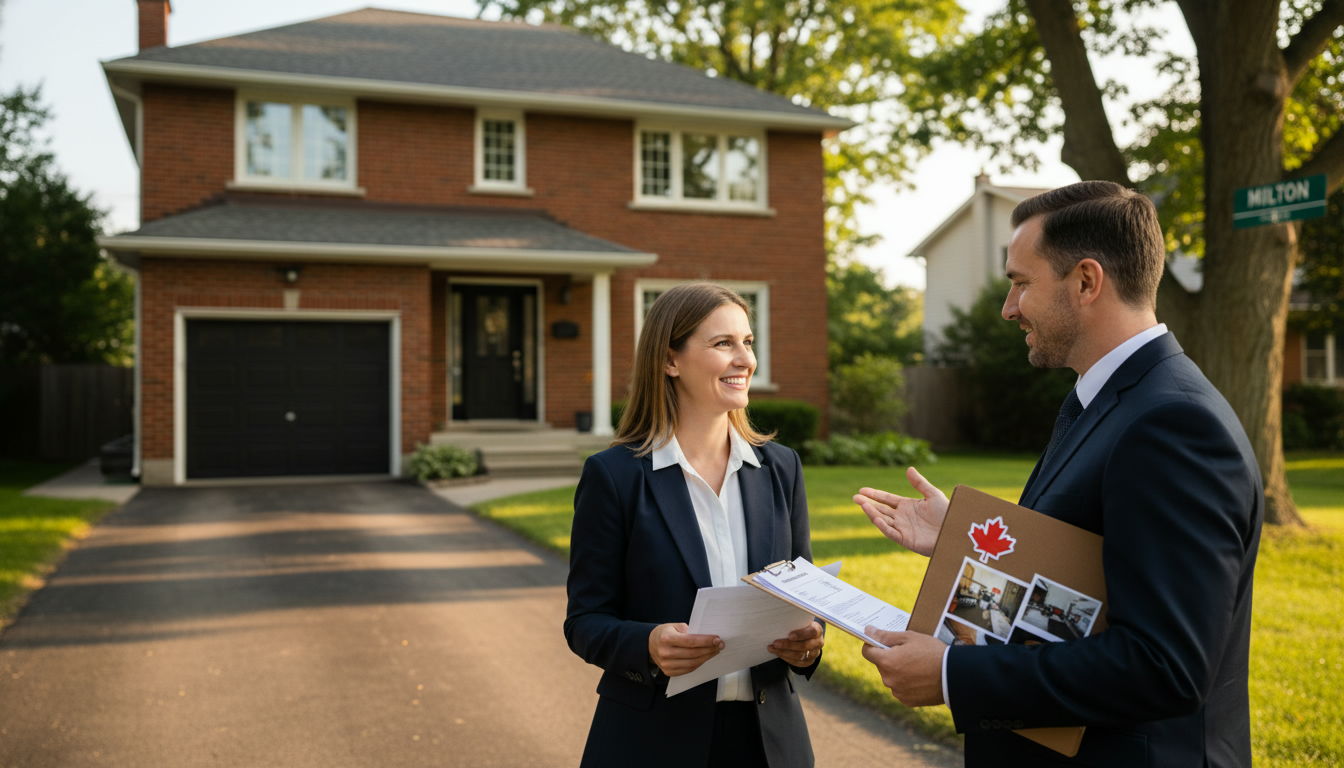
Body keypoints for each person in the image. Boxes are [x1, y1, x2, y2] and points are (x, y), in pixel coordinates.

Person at [853, 181, 1262, 767]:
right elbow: (1089, 578)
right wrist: (963, 537)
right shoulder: (1112, 401)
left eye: (1021, 283)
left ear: (1087, 281)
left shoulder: (1172, 424)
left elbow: (1163, 666)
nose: (1008, 307)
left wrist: (952, 673)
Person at [565, 282, 824, 768]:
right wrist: (647, 644)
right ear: (670, 361)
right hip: (651, 743)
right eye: (723, 343)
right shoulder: (615, 477)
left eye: (748, 342)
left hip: (770, 743)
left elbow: (805, 599)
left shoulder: (781, 467)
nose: (745, 359)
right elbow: (585, 621)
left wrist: (808, 643)